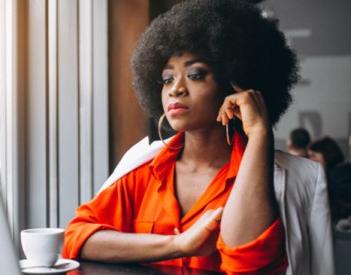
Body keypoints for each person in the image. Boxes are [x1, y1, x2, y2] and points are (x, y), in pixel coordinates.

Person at [63, 0, 334, 274]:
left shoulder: (273, 178)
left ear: (234, 82)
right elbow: (76, 238)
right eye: (167, 79)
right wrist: (178, 244)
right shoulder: (142, 169)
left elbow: (247, 264)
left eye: (195, 74)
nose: (176, 89)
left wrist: (260, 133)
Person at [309, 137, 351, 222]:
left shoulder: (326, 178)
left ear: (326, 154)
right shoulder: (346, 170)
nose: (311, 160)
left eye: (313, 155)